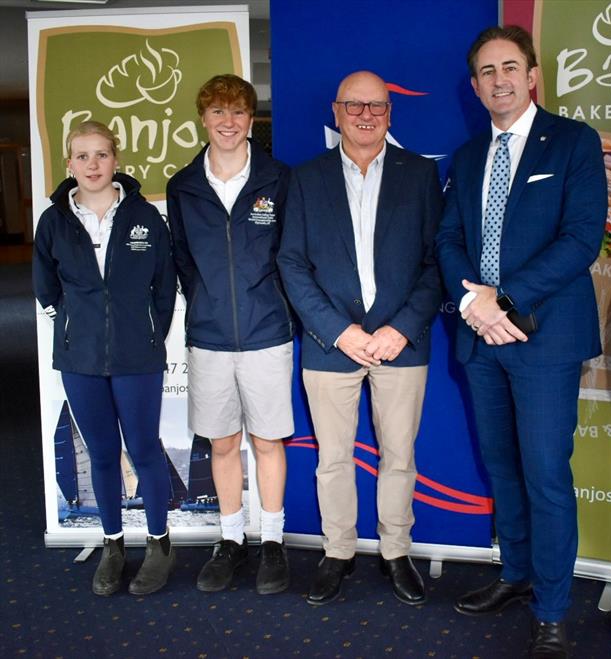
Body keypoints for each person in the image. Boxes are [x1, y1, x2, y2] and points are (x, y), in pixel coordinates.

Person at [435, 26, 607, 658]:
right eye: (486, 71)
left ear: (532, 75)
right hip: (482, 339)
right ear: (475, 85)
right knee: (502, 467)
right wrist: (473, 304)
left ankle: (554, 607)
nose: (499, 79)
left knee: (544, 475)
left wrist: (501, 300)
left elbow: (582, 238)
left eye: (510, 67)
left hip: (544, 342)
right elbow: (449, 239)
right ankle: (515, 574)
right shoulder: (469, 154)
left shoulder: (574, 142)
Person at [278, 70, 442, 606]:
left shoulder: (420, 176)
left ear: (390, 112)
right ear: (337, 110)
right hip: (331, 346)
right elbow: (292, 263)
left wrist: (399, 328)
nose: (366, 115)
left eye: (376, 106)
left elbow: (436, 262)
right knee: (333, 458)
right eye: (355, 105)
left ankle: (397, 552)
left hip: (402, 344)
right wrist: (339, 331)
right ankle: (339, 552)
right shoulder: (306, 178)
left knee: (399, 456)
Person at [33, 120, 177, 596]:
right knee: (100, 453)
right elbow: (46, 289)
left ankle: (159, 544)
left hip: (139, 357)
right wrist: (76, 327)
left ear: (116, 160)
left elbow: (164, 286)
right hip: (81, 359)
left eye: (101, 155)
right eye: (82, 156)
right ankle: (113, 545)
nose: (92, 165)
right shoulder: (53, 221)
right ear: (69, 164)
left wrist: (150, 335)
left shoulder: (145, 216)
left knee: (145, 449)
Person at [166, 74, 293, 595]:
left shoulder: (277, 178)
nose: (228, 122)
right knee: (223, 443)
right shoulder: (183, 186)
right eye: (217, 113)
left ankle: (272, 543)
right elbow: (182, 261)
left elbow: (291, 254)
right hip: (211, 336)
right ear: (203, 119)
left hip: (267, 333)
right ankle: (231, 539)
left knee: (267, 440)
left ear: (250, 119)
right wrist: (207, 305)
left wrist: (273, 305)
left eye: (238, 112)